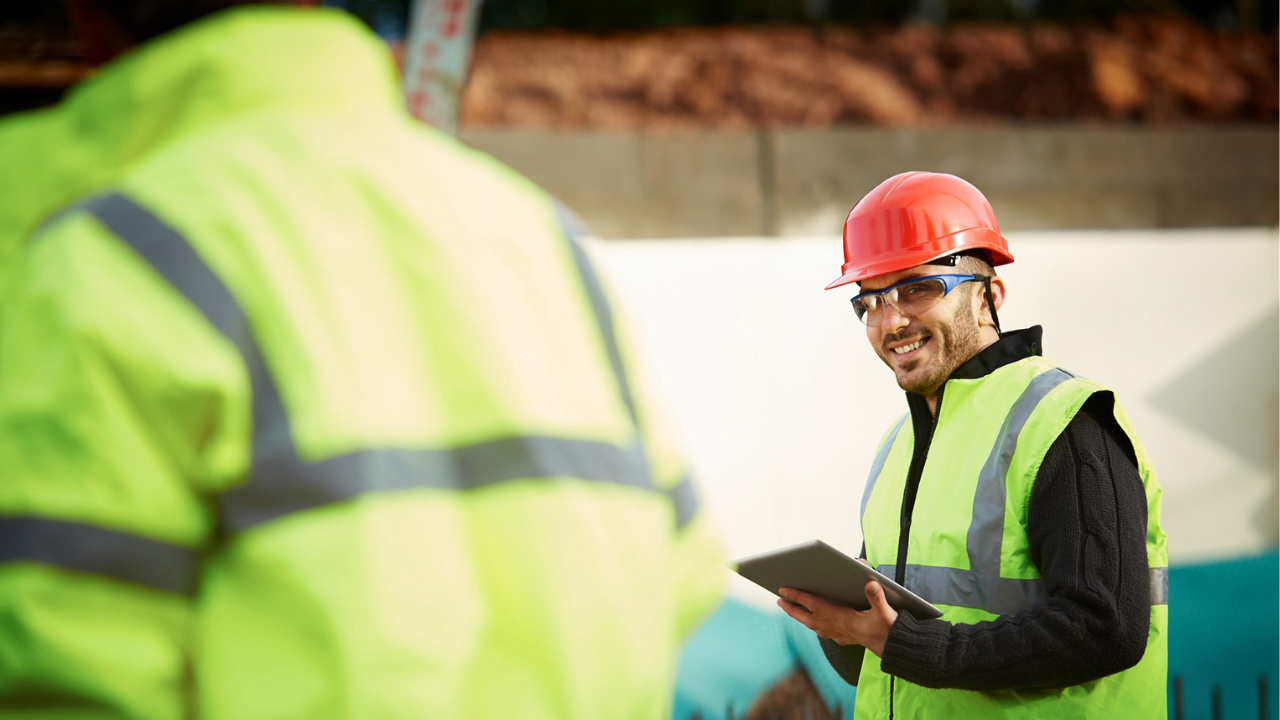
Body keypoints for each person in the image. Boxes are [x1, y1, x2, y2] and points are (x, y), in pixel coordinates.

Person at [0, 2, 725, 718]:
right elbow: (684, 572)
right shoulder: (536, 232)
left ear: (89, 22)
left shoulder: (109, 254)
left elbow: (64, 665)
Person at [776, 171, 1168, 718]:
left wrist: (907, 645)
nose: (891, 321)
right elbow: (879, 660)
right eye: (870, 301)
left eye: (918, 287)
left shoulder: (1064, 422)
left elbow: (1107, 627)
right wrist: (839, 626)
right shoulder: (898, 446)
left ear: (989, 298)